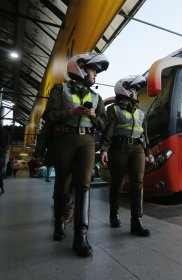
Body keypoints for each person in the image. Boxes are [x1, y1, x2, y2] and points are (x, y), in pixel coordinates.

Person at [43, 52, 109, 257]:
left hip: (87, 142)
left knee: (84, 184)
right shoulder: (59, 89)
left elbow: (104, 125)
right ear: (79, 68)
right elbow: (49, 116)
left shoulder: (97, 97)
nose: (95, 75)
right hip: (65, 140)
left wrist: (94, 115)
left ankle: (81, 235)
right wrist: (69, 113)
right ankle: (58, 224)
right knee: (62, 183)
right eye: (93, 71)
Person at [100, 75, 153, 237]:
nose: (137, 93)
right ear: (125, 90)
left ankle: (136, 222)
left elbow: (144, 134)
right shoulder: (113, 109)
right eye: (134, 90)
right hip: (119, 148)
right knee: (117, 183)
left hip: (137, 149)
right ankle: (114, 214)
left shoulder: (140, 112)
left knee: (138, 184)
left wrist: (148, 153)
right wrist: (104, 149)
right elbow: (107, 131)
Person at [33, 120, 74, 224]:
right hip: (59, 152)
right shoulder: (55, 114)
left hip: (75, 151)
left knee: (68, 182)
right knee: (64, 182)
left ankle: (66, 209)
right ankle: (64, 211)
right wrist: (39, 153)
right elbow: (44, 135)